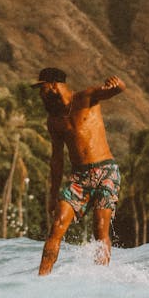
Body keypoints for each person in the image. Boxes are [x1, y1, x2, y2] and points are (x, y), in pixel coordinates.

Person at [33, 67, 126, 275]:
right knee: (56, 226)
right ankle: (41, 280)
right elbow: (56, 160)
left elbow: (118, 89)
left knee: (100, 228)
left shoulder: (86, 98)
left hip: (106, 172)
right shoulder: (54, 120)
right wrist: (52, 195)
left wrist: (117, 83)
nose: (40, 94)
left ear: (54, 85)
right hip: (79, 178)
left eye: (42, 88)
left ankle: (99, 279)